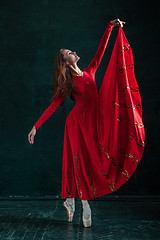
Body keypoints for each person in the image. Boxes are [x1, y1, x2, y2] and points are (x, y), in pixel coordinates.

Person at [28, 18, 126, 227]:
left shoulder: (90, 70)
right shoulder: (68, 83)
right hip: (76, 125)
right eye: (68, 53)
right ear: (65, 62)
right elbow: (54, 105)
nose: (73, 52)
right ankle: (85, 204)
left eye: (71, 51)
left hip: (93, 123)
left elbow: (102, 50)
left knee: (93, 160)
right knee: (80, 163)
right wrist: (36, 126)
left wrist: (110, 26)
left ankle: (70, 198)